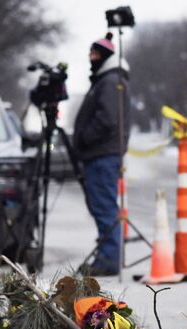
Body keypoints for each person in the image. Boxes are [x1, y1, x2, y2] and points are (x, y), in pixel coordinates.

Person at [73, 32, 131, 276]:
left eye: (95, 54)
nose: (91, 58)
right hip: (100, 155)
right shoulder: (106, 80)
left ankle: (108, 258)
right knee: (102, 206)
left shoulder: (109, 82)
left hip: (102, 155)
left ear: (105, 57)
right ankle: (106, 254)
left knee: (104, 206)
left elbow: (108, 118)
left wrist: (85, 137)